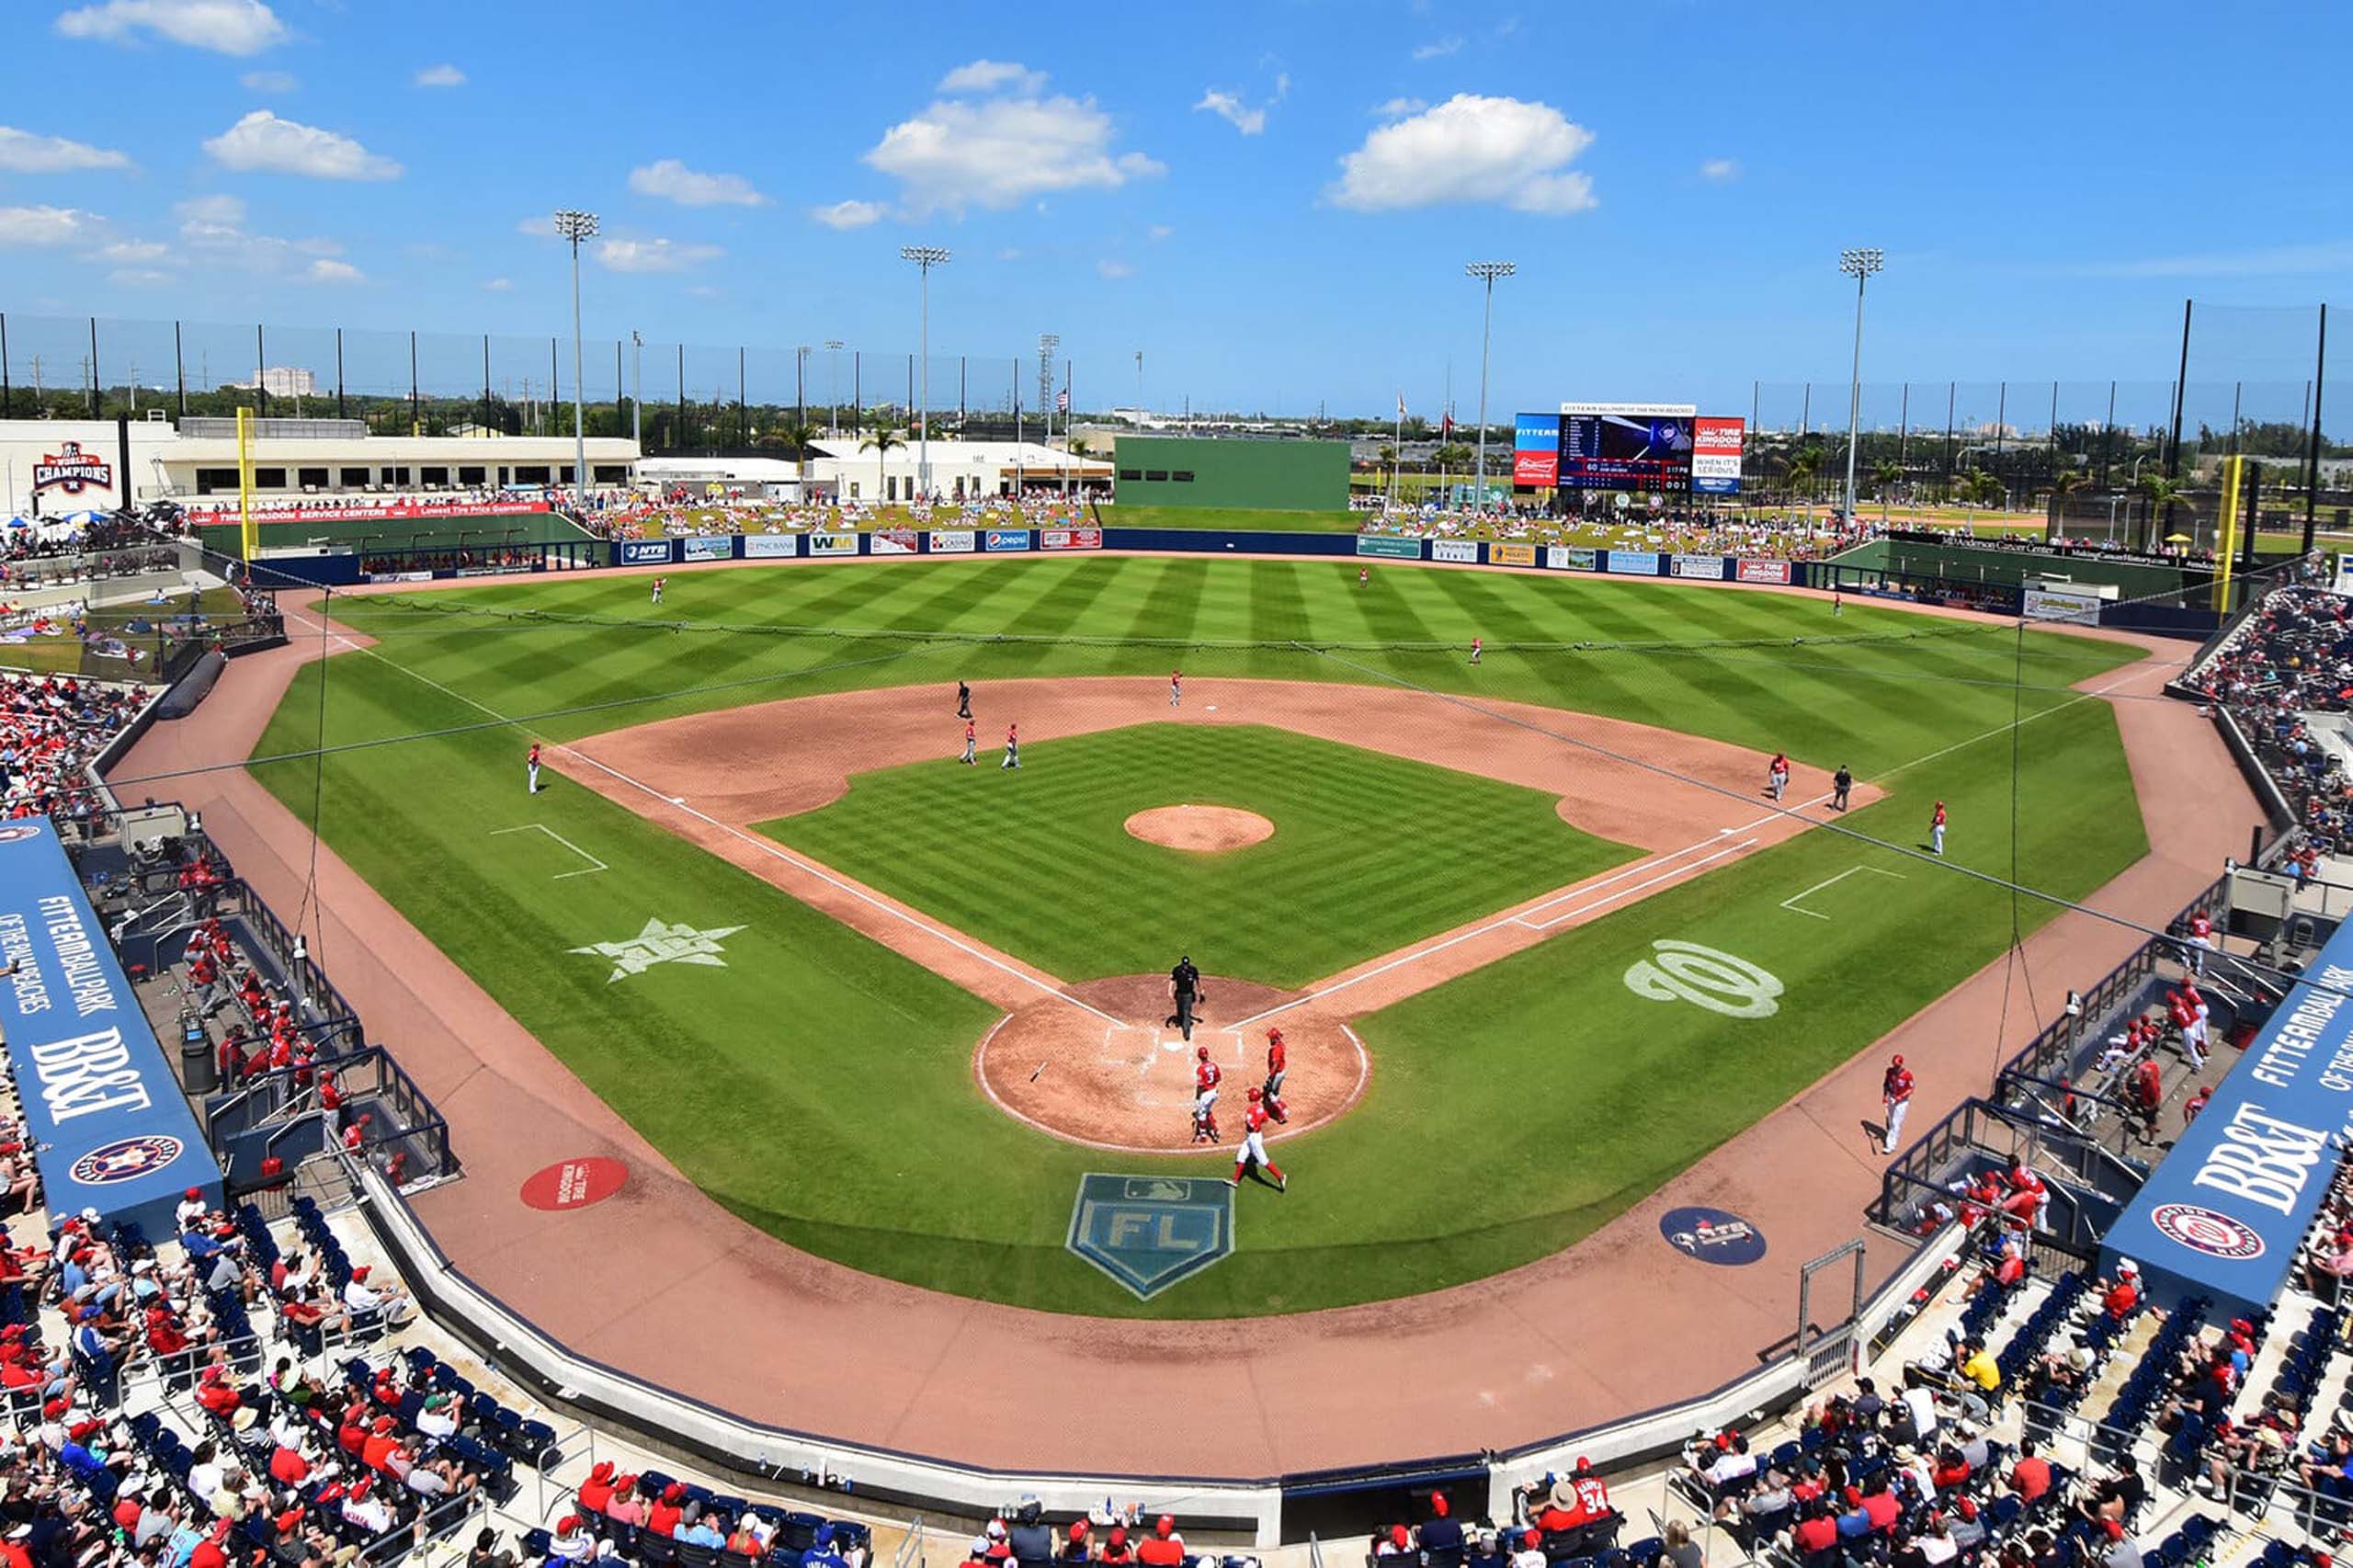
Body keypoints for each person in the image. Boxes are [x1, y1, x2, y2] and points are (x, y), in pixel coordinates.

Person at [1229, 1089, 1287, 1191]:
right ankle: (1235, 1181)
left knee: (1263, 1161)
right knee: (1241, 1156)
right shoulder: (1261, 1108)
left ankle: (1280, 1177)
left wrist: (1253, 1124)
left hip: (1253, 1138)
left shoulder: (1250, 1110)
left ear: (1251, 1097)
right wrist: (1257, 1122)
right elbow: (1265, 1119)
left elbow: (1251, 1125)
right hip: (1255, 1136)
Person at [1881, 1054, 1915, 1155]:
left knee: (1896, 1123)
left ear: (1901, 1064)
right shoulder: (1889, 1071)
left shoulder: (1907, 1075)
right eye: (1894, 1065)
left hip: (1902, 1102)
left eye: (1896, 1066)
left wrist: (1901, 1096)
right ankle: (1892, 1137)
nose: (1895, 1067)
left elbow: (1911, 1088)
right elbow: (1886, 1084)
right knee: (1892, 1122)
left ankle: (1890, 1145)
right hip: (1891, 1098)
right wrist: (1884, 1096)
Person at [1165, 954, 1202, 1039]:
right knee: (1180, 1009)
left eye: (1186, 964)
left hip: (1188, 995)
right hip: (1179, 994)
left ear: (1188, 964)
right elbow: (1172, 980)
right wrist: (1169, 990)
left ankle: (1186, 1032)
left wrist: (1201, 991)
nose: (1185, 966)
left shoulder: (1193, 970)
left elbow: (1197, 981)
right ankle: (1179, 1021)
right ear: (1182, 963)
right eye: (1184, 964)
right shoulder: (1177, 970)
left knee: (1186, 1012)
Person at [1190, 1047, 1222, 1143]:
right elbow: (1218, 1079)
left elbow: (1200, 1086)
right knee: (1207, 1111)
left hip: (1206, 1094)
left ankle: (1203, 1136)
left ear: (1199, 1056)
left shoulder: (1200, 1069)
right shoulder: (1214, 1066)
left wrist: (1198, 1097)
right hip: (1214, 1092)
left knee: (1201, 1115)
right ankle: (1215, 1129)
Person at [1263, 1028, 1289, 1120]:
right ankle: (1284, 1109)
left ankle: (1281, 1115)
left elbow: (1275, 1063)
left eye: (1271, 1038)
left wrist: (1270, 1076)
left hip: (1277, 1074)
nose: (1270, 1039)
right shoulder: (1280, 1045)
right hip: (1281, 1072)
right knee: (1276, 1093)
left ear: (1274, 1038)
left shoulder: (1275, 1050)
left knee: (1271, 1095)